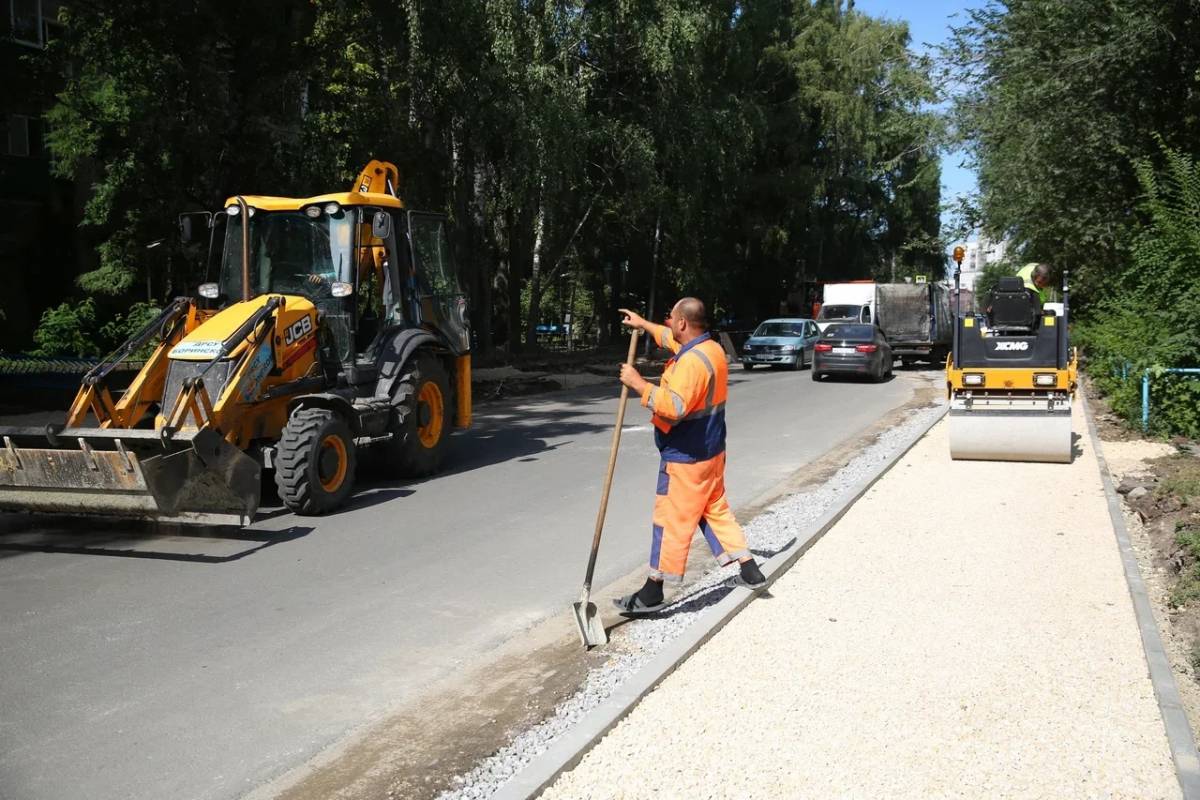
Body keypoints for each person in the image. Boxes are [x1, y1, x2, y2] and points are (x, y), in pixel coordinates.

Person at [613, 298, 767, 614]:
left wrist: (638, 383)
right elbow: (667, 338)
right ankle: (750, 569)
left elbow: (675, 407)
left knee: (670, 519)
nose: (667, 322)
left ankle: (653, 590)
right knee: (714, 510)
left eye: (671, 318)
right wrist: (642, 324)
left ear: (683, 322)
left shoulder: (692, 363)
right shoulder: (708, 349)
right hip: (711, 451)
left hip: (686, 456)